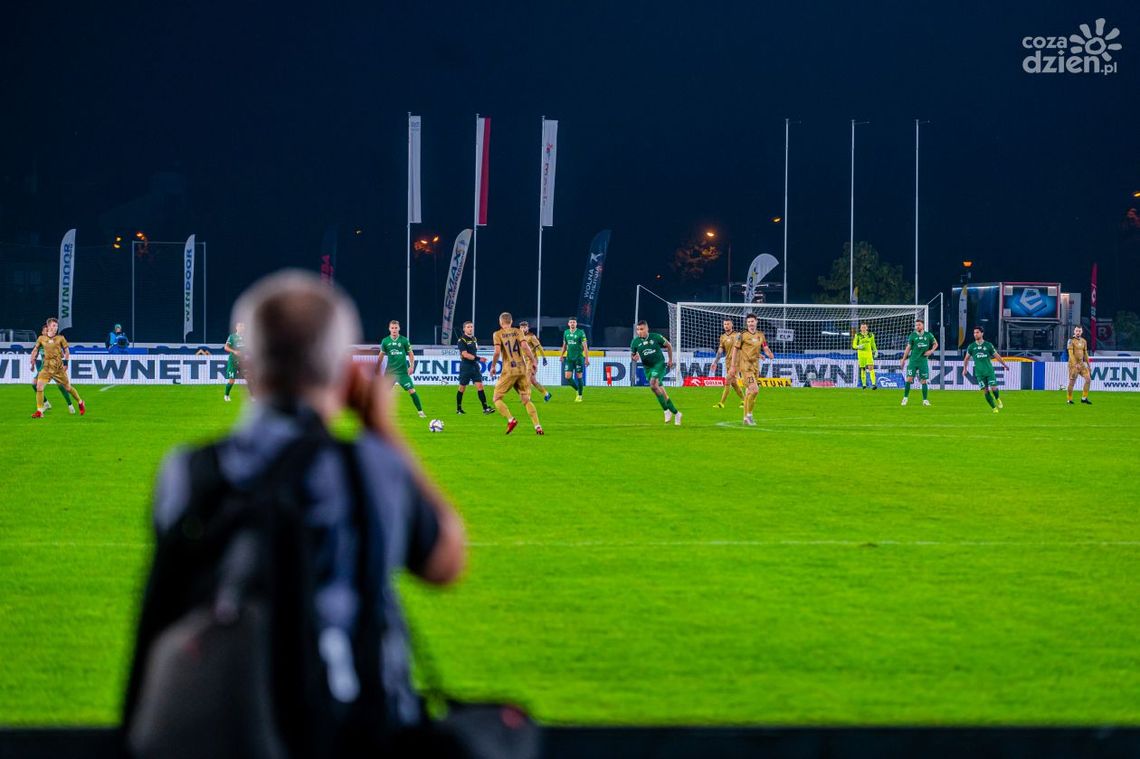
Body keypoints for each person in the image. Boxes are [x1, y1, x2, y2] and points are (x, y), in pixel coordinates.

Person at [124, 270, 466, 751]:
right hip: (354, 723)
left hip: (231, 722)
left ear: (250, 368)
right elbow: (446, 562)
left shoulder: (189, 471)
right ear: (347, 375)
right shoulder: (371, 466)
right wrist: (382, 428)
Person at [490, 312, 543, 435]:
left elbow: (497, 352)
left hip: (509, 370)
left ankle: (511, 419)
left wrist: (493, 366)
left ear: (500, 322)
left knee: (496, 398)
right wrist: (534, 361)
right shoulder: (518, 331)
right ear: (511, 321)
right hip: (522, 369)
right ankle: (537, 426)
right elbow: (525, 346)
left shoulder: (497, 334)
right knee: (526, 399)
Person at [29, 317, 85, 418]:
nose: (56, 328)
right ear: (49, 326)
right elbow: (35, 350)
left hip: (58, 368)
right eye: (54, 326)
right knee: (39, 386)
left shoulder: (61, 338)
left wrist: (66, 363)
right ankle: (39, 411)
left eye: (57, 326)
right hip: (46, 367)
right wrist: (32, 359)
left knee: (68, 388)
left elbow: (67, 351)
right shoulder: (41, 338)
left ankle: (80, 402)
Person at [631, 320, 681, 425]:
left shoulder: (656, 337)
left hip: (659, 364)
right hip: (648, 368)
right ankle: (676, 413)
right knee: (661, 392)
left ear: (647, 328)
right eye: (638, 330)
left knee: (653, 385)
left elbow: (669, 346)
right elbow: (633, 355)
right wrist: (634, 358)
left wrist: (670, 360)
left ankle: (666, 411)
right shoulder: (635, 342)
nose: (639, 332)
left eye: (641, 329)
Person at [728, 314, 774, 426]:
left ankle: (745, 418)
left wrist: (768, 354)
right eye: (748, 322)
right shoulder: (741, 335)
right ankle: (749, 415)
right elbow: (735, 350)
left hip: (755, 367)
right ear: (746, 323)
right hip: (745, 366)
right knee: (755, 390)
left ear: (756, 322)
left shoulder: (760, 335)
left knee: (750, 392)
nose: (750, 324)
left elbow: (765, 347)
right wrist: (733, 366)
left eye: (752, 321)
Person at [380, 320, 425, 418]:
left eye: (396, 328)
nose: (394, 330)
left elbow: (411, 353)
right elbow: (381, 354)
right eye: (392, 328)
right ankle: (379, 414)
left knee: (412, 390)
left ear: (399, 328)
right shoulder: (385, 341)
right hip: (390, 372)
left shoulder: (404, 340)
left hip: (402, 373)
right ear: (389, 329)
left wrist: (412, 366)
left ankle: (421, 412)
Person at [963, 326, 1009, 413]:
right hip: (979, 373)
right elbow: (966, 359)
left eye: (977, 332)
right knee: (985, 390)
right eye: (974, 333)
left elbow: (997, 356)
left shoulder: (988, 345)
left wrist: (1004, 364)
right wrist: (965, 369)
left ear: (982, 333)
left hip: (989, 371)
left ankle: (997, 398)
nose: (975, 334)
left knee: (994, 388)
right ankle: (994, 408)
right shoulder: (971, 346)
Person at [32, 322, 75, 414]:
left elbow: (63, 354)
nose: (46, 332)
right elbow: (35, 352)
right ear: (42, 332)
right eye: (45, 331)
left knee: (62, 387)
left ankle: (70, 405)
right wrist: (32, 363)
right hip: (44, 368)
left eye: (47, 330)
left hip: (55, 368)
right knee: (34, 385)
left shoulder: (54, 341)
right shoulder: (41, 341)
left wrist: (60, 356)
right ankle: (46, 403)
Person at [455, 320, 493, 415]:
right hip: (466, 366)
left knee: (480, 386)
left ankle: (485, 408)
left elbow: (474, 350)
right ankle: (459, 409)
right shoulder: (462, 340)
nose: (470, 328)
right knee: (462, 388)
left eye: (471, 326)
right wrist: (478, 359)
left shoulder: (474, 339)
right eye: (468, 327)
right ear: (464, 329)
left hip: (474, 366)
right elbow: (465, 354)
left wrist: (476, 359)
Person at [900, 318, 937, 407]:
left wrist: (931, 351)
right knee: (909, 379)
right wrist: (903, 359)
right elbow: (908, 348)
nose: (917, 326)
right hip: (913, 361)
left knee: (923, 381)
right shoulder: (912, 335)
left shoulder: (929, 335)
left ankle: (925, 400)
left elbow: (936, 344)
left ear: (923, 325)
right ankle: (905, 398)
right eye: (916, 325)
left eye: (919, 325)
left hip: (923, 361)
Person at [711, 318, 745, 409]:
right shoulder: (722, 337)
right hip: (728, 362)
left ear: (732, 325)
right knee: (733, 383)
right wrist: (715, 362)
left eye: (728, 324)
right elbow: (720, 350)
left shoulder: (738, 335)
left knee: (727, 381)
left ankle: (721, 403)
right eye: (725, 324)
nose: (726, 326)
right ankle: (745, 400)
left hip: (737, 362)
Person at [518, 320, 551, 402]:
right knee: (533, 380)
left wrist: (544, 358)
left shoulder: (531, 336)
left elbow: (539, 347)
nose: (523, 329)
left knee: (527, 378)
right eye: (521, 327)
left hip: (532, 360)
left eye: (525, 327)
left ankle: (528, 398)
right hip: (525, 361)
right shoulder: (519, 337)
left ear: (528, 328)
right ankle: (547, 394)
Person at [560, 318, 589, 402]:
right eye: (571, 322)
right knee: (567, 377)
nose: (572, 323)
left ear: (576, 324)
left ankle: (580, 395)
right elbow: (564, 345)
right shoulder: (566, 332)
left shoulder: (581, 332)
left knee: (579, 376)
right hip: (569, 358)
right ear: (568, 324)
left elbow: (585, 347)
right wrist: (561, 355)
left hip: (578, 358)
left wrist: (586, 359)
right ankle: (577, 389)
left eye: (574, 322)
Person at [1066, 326, 1093, 405]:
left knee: (1088, 379)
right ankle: (1069, 400)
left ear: (1082, 332)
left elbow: (1085, 354)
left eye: (1079, 331)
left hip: (1081, 364)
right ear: (1074, 331)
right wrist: (1075, 364)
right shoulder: (1071, 340)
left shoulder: (1084, 341)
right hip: (1073, 365)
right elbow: (1070, 354)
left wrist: (1088, 364)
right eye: (1077, 331)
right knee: (1072, 382)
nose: (1078, 332)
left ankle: (1084, 398)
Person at [223, 321, 245, 402]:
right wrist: (234, 351)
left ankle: (253, 397)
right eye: (240, 326)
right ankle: (226, 395)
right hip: (233, 360)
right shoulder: (232, 337)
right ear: (236, 327)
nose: (241, 327)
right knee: (232, 380)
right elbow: (226, 347)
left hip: (243, 361)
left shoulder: (246, 337)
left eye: (242, 326)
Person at [852, 322, 878, 390]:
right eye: (862, 327)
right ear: (860, 328)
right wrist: (858, 346)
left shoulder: (871, 335)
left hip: (869, 353)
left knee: (871, 368)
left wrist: (875, 351)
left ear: (867, 328)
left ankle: (874, 384)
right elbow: (853, 345)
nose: (863, 328)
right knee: (863, 369)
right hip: (861, 354)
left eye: (864, 327)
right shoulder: (857, 335)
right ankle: (864, 384)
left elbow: (873, 344)